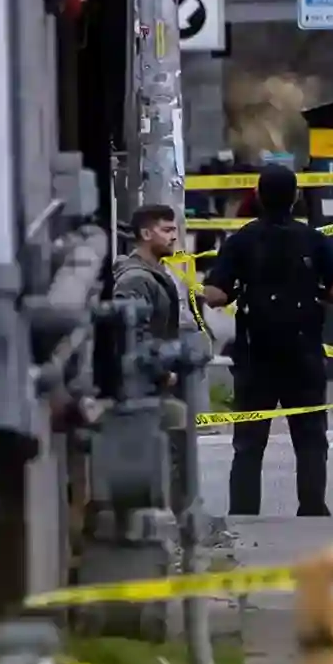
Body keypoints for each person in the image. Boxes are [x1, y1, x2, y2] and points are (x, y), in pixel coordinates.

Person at [201, 162, 333, 518]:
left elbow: (213, 294)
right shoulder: (313, 239)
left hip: (257, 356)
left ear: (256, 196)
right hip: (304, 355)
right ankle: (313, 507)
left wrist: (235, 289)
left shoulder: (242, 240)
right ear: (296, 197)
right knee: (311, 438)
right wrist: (320, 292)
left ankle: (243, 512)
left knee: (249, 443)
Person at [111, 203, 208, 508]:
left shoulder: (153, 273)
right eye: (166, 230)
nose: (174, 237)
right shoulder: (135, 279)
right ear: (145, 233)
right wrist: (161, 372)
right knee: (166, 452)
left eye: (175, 230)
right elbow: (129, 334)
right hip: (146, 387)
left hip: (156, 383)